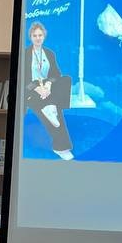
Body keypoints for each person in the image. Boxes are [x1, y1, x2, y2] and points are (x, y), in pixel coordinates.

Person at [24, 21, 74, 159]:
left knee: (66, 79)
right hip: (31, 88)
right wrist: (37, 88)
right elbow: (22, 78)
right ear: (30, 37)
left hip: (46, 87)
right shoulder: (25, 54)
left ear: (44, 36)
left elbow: (56, 73)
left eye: (40, 35)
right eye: (35, 35)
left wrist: (48, 85)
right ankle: (61, 148)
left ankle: (51, 107)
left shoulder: (50, 53)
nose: (38, 38)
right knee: (50, 109)